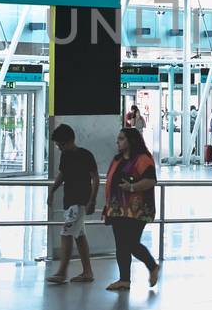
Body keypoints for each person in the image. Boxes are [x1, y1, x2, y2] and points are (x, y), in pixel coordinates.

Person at [101, 128, 160, 292]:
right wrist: (108, 206)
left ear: (131, 141)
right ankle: (124, 280)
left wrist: (132, 187)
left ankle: (152, 266)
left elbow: (150, 180)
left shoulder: (143, 160)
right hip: (117, 209)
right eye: (118, 139)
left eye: (121, 139)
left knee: (131, 243)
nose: (117, 142)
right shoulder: (117, 159)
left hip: (137, 210)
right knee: (121, 245)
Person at [46, 123, 99, 285]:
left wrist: (92, 200)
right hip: (70, 201)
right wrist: (52, 191)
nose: (59, 148)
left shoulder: (85, 155)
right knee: (79, 236)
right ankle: (87, 271)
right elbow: (62, 175)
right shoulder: (65, 156)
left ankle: (62, 272)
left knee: (66, 233)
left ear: (69, 141)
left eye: (60, 144)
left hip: (79, 201)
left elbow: (95, 178)